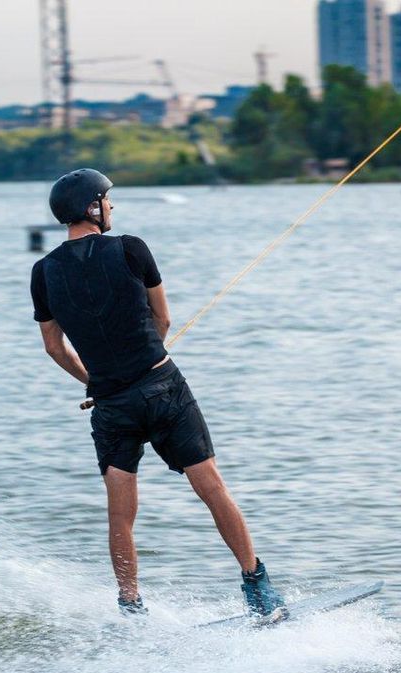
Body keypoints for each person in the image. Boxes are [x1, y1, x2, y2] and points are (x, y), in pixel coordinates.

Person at [29, 167, 287, 620]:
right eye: (107, 199)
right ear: (92, 207)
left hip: (110, 405)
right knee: (211, 489)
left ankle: (131, 606)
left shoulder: (43, 271)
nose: (111, 206)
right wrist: (143, 361)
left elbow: (53, 347)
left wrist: (95, 382)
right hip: (163, 387)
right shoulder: (131, 248)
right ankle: (257, 587)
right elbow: (162, 319)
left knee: (120, 515)